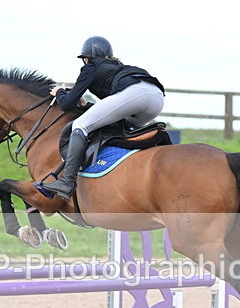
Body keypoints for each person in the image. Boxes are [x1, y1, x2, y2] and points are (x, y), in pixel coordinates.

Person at [42, 36, 166, 200]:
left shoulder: (91, 67)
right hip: (157, 98)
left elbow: (66, 104)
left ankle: (66, 182)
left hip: (135, 94)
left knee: (80, 125)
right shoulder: (116, 67)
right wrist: (86, 104)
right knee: (120, 126)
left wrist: (59, 92)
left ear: (86, 58)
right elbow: (112, 109)